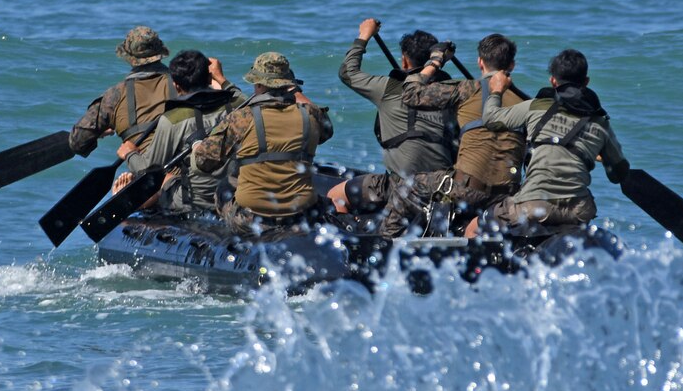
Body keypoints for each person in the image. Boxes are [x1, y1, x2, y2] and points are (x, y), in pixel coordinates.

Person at [377, 34, 526, 238]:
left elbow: (411, 93)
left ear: (480, 62)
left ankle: (384, 243)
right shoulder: (526, 102)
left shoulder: (467, 89)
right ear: (512, 65)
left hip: (468, 191)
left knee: (408, 186)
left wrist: (435, 60)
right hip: (507, 196)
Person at [469, 48, 629, 237]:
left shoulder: (535, 108)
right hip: (578, 209)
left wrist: (496, 91)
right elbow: (618, 175)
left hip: (534, 205)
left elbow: (491, 119)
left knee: (473, 226)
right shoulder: (601, 124)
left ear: (553, 80)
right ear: (586, 82)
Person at [192, 52, 333, 237]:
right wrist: (294, 91)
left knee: (225, 186)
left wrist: (197, 146)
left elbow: (204, 162)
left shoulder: (242, 117)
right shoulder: (312, 115)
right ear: (289, 84)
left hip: (253, 220)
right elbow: (327, 131)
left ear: (258, 84)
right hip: (300, 215)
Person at [329, 19, 458, 216]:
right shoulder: (453, 92)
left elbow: (347, 72)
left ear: (405, 61)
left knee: (334, 195)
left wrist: (364, 36)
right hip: (444, 184)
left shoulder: (388, 88)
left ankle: (356, 234)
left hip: (402, 184)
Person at [111, 50, 247, 213]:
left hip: (195, 202)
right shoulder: (238, 106)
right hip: (232, 194)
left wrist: (129, 154)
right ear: (209, 77)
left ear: (176, 85)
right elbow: (241, 96)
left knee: (163, 180)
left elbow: (148, 170)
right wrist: (222, 78)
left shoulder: (172, 120)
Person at [68, 26, 175, 158]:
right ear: (160, 52)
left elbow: (78, 142)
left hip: (143, 167)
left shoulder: (114, 96)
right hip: (183, 164)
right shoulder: (183, 82)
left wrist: (102, 131)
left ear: (129, 57)